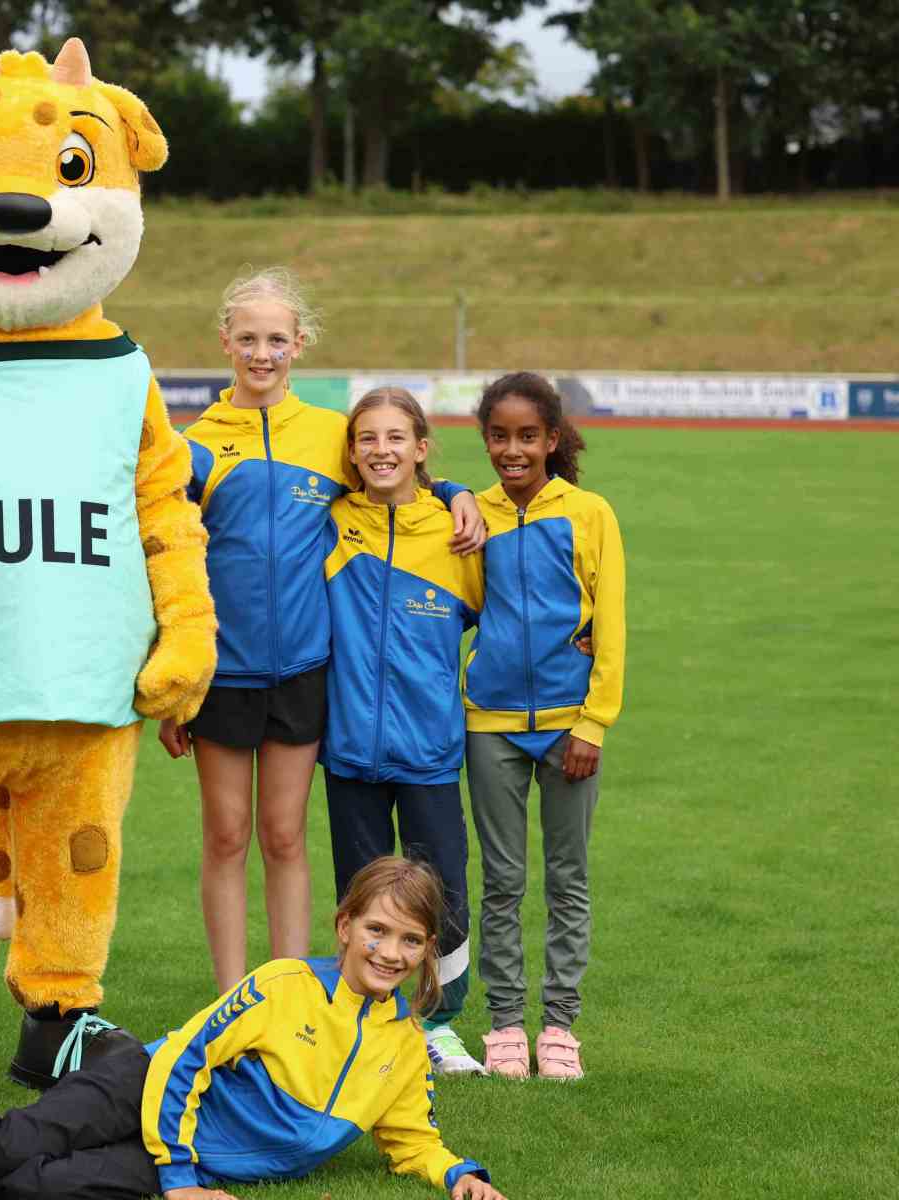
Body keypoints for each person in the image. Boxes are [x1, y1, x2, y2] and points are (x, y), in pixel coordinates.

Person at [0, 855, 506, 1200]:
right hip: (144, 1085)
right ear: (344, 927)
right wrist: (178, 1178)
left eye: (409, 940)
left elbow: (412, 1138)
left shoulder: (405, 1046)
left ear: (425, 950)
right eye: (376, 930)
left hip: (195, 1153)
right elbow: (186, 1062)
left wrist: (457, 1176)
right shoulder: (284, 986)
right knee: (12, 1145)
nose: (389, 952)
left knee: (34, 1188)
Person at [162, 269, 485, 994]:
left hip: (307, 669)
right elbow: (170, 558)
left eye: (277, 339)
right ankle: (231, 997)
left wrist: (456, 491)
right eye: (249, 339)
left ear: (299, 344)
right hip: (223, 674)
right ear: (225, 342)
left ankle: (283, 993)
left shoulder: (330, 436)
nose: (263, 353)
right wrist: (176, 676)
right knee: (226, 836)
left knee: (284, 836)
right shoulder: (197, 446)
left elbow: (393, 470)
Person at [463, 372, 625, 1080]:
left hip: (569, 727)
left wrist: (594, 723)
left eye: (528, 436)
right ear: (485, 440)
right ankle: (504, 1025)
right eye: (500, 436)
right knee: (500, 881)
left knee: (568, 878)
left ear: (552, 439)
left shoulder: (590, 513)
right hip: (490, 725)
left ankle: (559, 1027)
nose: (513, 450)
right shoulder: (475, 515)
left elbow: (611, 624)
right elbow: (462, 604)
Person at [320, 388, 486, 1076]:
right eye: (367, 438)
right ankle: (363, 1022)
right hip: (349, 749)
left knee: (443, 888)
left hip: (430, 751)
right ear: (352, 452)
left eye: (395, 438)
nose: (380, 450)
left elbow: (498, 627)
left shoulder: (458, 533)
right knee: (361, 892)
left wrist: (455, 492)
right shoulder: (331, 523)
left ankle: (438, 1025)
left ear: (421, 448)